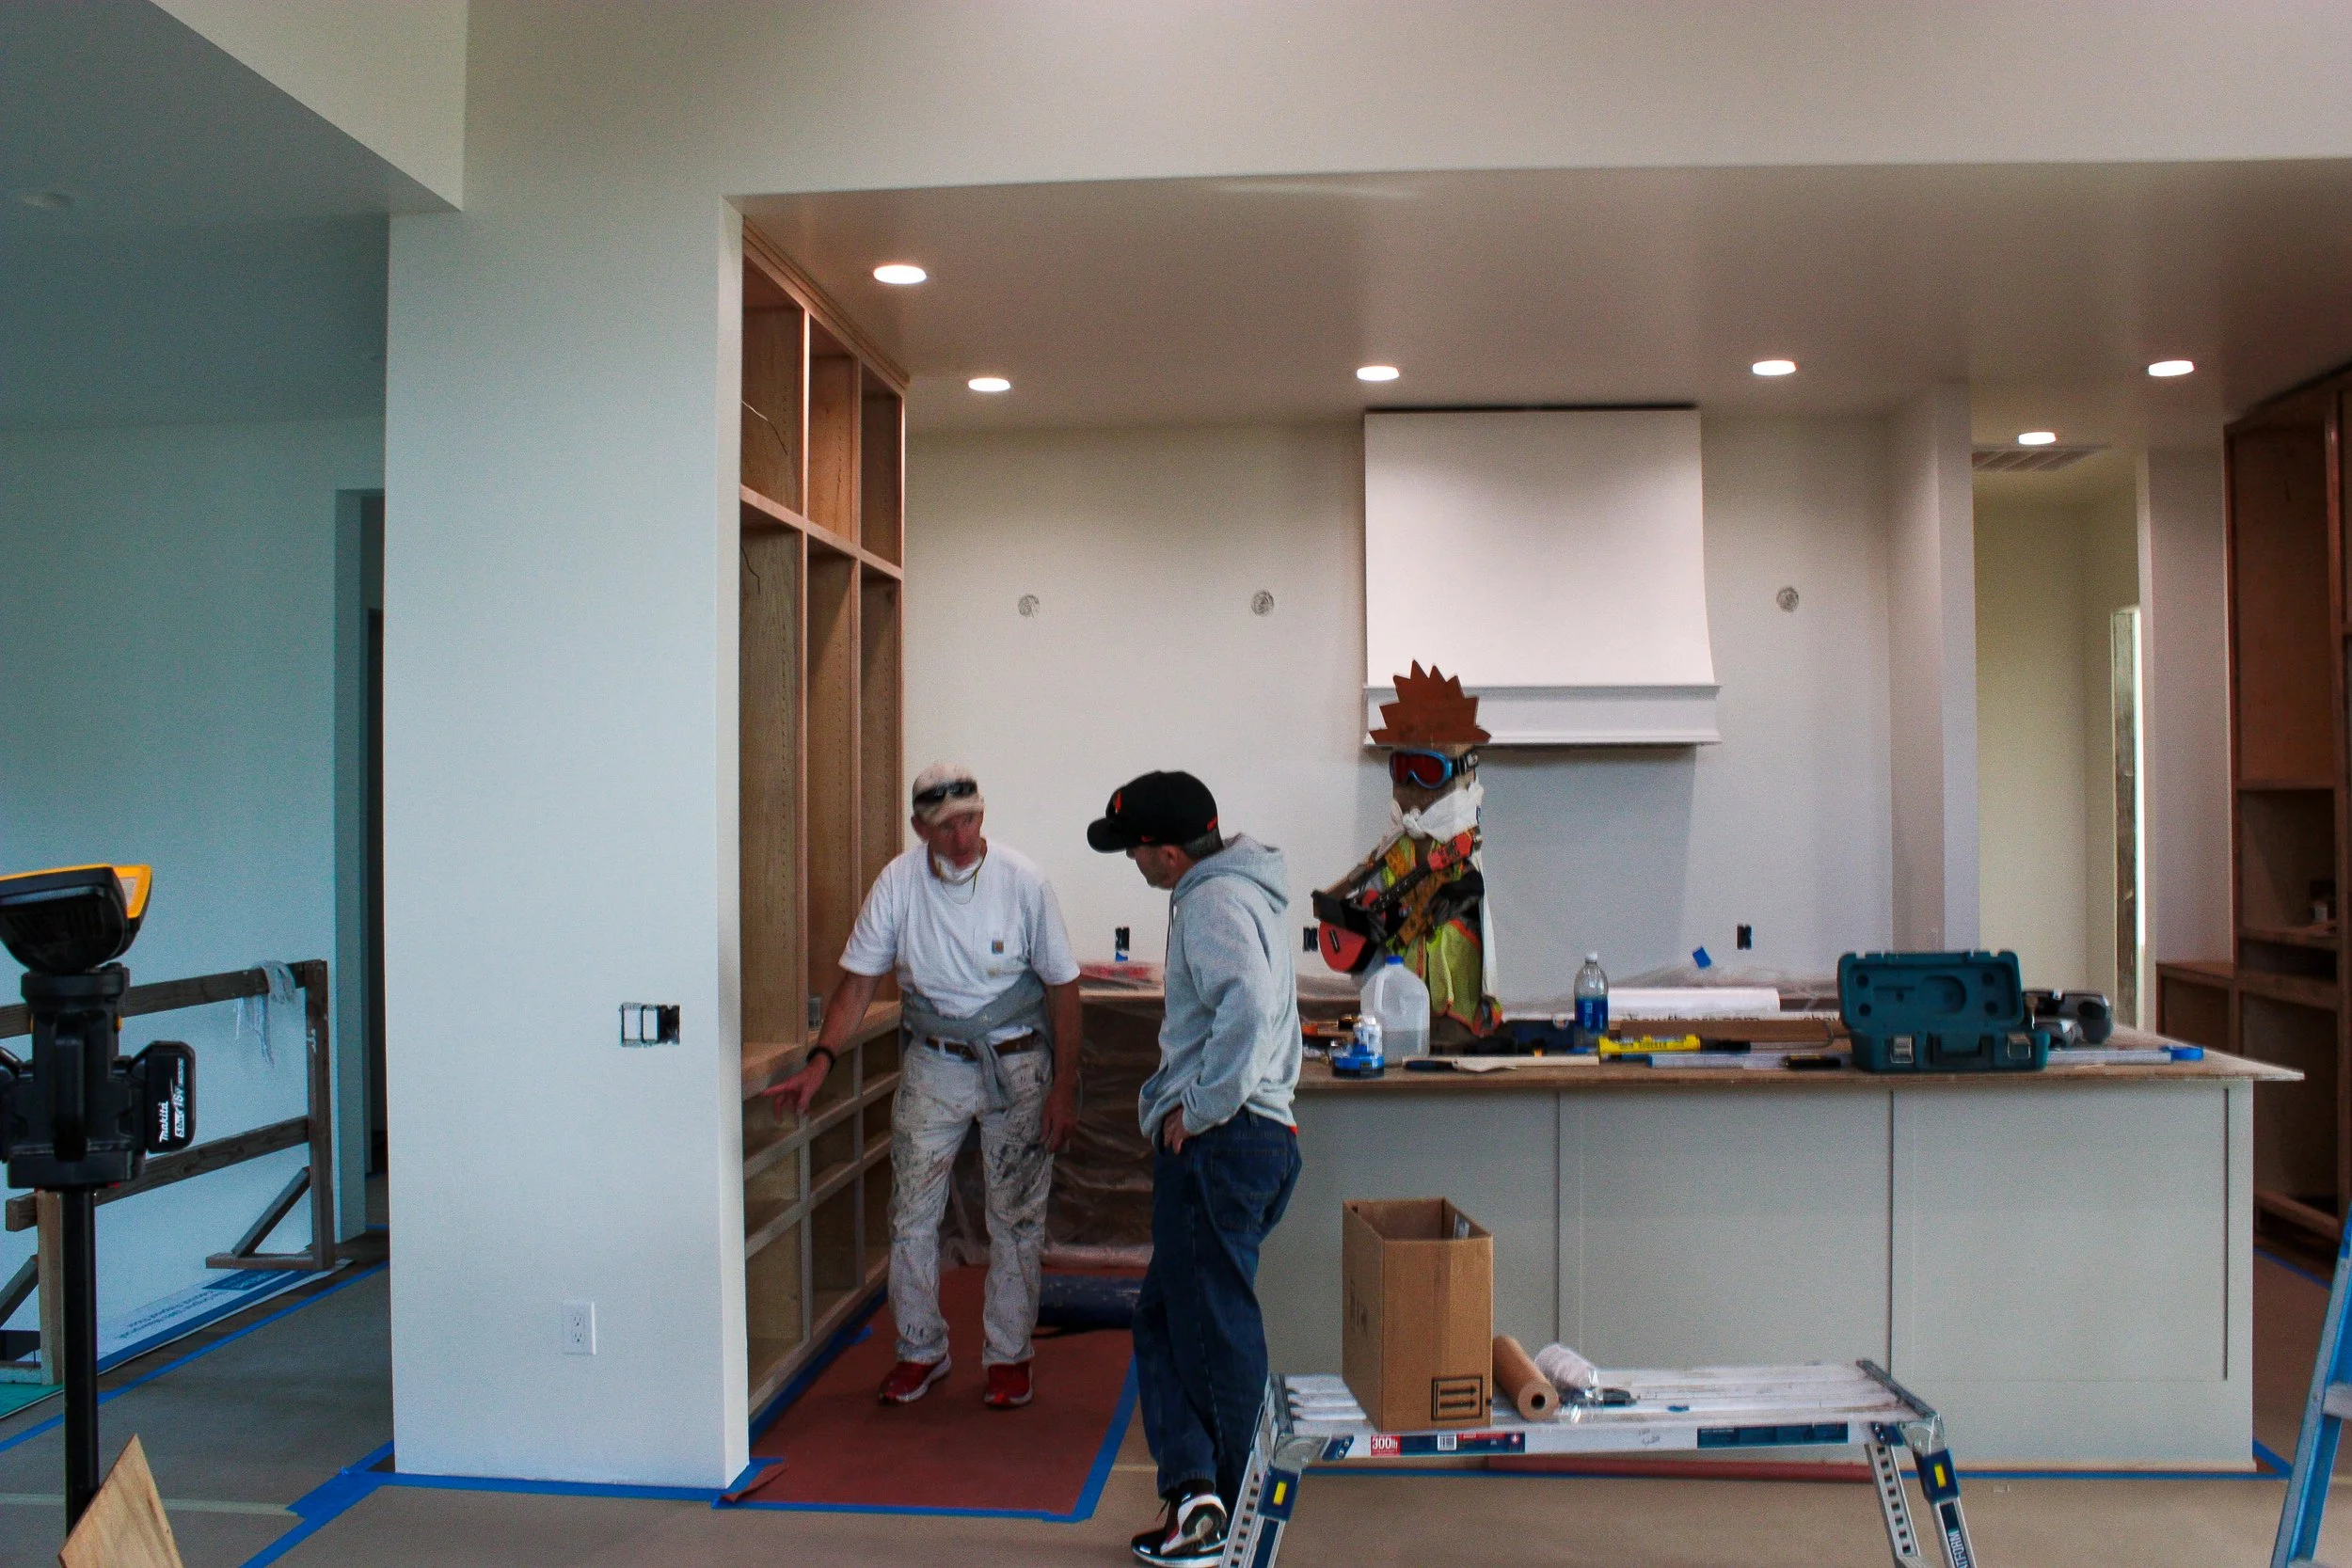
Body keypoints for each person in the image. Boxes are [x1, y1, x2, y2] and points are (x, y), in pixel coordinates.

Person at [768, 762, 1082, 1411]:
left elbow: (1063, 986)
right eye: (944, 827)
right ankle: (920, 1348)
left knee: (1016, 1216)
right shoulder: (898, 882)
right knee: (910, 1210)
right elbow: (859, 980)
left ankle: (1009, 1355)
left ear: (982, 814)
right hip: (935, 1061)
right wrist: (822, 1060)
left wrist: (1063, 1088)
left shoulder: (1022, 881)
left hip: (1016, 1060)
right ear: (919, 828)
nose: (961, 838)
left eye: (969, 820)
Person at [1088, 770, 1302, 1566]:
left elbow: (1247, 1003)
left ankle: (1227, 1518)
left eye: (1135, 849)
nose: (1133, 861)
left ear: (1170, 852)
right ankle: (1197, 1494)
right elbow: (1262, 1009)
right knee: (1170, 1317)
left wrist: (1205, 1106)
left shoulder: (1210, 900)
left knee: (1212, 1327)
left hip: (1222, 1143)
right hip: (1256, 1136)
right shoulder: (1249, 892)